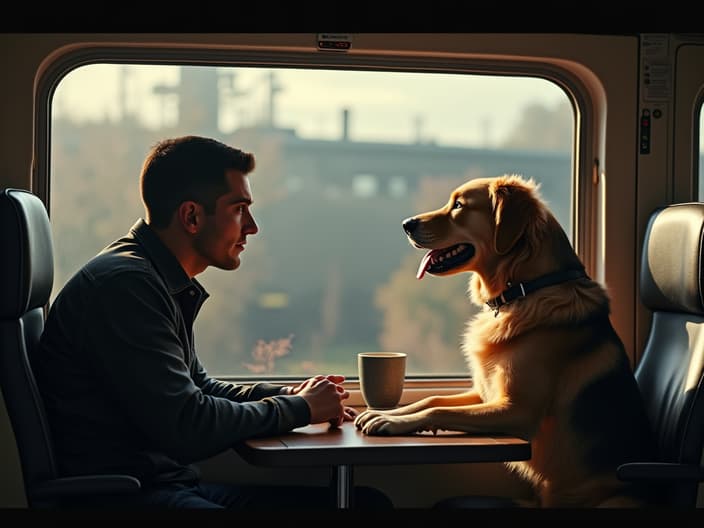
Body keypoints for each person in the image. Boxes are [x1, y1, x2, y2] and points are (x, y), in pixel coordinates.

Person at [35, 135, 392, 510]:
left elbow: (198, 387)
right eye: (239, 209)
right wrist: (301, 410)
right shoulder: (126, 286)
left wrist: (288, 396)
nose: (251, 227)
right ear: (191, 216)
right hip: (128, 497)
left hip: (165, 486)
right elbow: (189, 426)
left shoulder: (152, 277)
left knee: (367, 504)